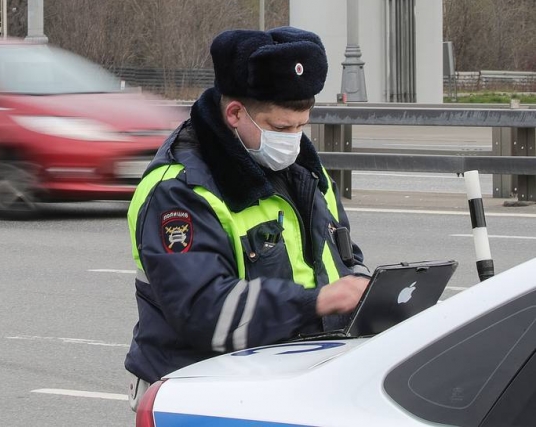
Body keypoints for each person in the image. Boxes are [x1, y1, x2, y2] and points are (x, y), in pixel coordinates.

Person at [124, 27, 371, 410]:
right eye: (280, 128)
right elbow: (205, 311)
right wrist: (317, 302)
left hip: (280, 388)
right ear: (235, 113)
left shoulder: (305, 171)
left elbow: (342, 257)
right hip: (199, 398)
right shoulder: (179, 189)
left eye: (301, 126)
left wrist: (370, 291)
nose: (293, 140)